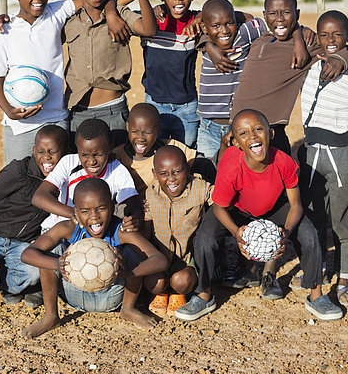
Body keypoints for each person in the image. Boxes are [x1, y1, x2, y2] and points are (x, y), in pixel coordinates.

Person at [176, 109, 343, 322]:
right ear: (236, 142)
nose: (252, 136)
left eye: (257, 129)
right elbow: (219, 207)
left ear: (270, 134)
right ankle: (203, 294)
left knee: (309, 233)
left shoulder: (284, 162)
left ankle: (316, 295)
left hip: (273, 208)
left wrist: (287, 232)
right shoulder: (231, 163)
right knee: (206, 237)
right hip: (235, 210)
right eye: (243, 134)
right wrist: (237, 233)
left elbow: (296, 206)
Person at [0, 0, 129, 163]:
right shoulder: (3, 32)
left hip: (57, 121)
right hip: (20, 127)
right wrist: (10, 112)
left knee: (58, 186)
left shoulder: (56, 13)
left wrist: (112, 14)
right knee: (17, 184)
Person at [20, 177, 169, 338]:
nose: (94, 216)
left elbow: (160, 260)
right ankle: (51, 316)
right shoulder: (68, 228)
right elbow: (27, 254)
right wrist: (58, 264)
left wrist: (128, 272)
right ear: (76, 212)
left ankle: (128, 309)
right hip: (74, 295)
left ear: (112, 207)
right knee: (51, 252)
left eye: (101, 208)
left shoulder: (121, 231)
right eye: (85, 211)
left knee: (134, 251)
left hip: (112, 296)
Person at [0, 125, 68, 308]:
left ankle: (9, 284)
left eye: (53, 151)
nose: (46, 157)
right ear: (33, 151)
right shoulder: (19, 171)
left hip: (22, 243)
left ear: (65, 152)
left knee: (33, 273)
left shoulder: (64, 180)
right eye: (40, 151)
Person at [230, 0, 348, 154]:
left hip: (271, 131)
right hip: (237, 128)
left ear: (296, 14)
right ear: (264, 16)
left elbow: (336, 46)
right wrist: (297, 31)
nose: (279, 19)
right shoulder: (259, 39)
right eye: (272, 13)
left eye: (286, 12)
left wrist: (340, 59)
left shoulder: (308, 46)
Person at [64, 0, 157, 147]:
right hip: (77, 112)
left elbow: (149, 29)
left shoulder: (120, 13)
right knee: (81, 172)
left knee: (117, 167)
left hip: (113, 112)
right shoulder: (68, 20)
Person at [298, 10, 348, 306]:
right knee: (314, 217)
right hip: (311, 152)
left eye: (337, 35)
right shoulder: (311, 63)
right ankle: (315, 269)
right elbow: (290, 27)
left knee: (341, 221)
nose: (330, 40)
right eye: (324, 35)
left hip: (341, 154)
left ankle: (344, 274)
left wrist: (343, 57)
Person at [33, 118, 142, 232]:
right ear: (77, 149)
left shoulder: (117, 170)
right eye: (84, 155)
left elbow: (134, 205)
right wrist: (74, 213)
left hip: (96, 231)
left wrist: (134, 219)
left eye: (98, 154)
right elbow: (39, 197)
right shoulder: (69, 162)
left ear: (110, 148)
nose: (91, 161)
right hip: (60, 227)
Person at [144, 145, 214, 316]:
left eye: (177, 172)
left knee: (180, 281)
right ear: (155, 174)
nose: (171, 179)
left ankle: (177, 293)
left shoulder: (199, 188)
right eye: (164, 174)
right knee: (155, 282)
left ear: (187, 169)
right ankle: (161, 292)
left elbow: (220, 199)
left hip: (186, 259)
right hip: (161, 257)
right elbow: (147, 227)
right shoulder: (151, 193)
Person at [194, 0, 267, 157]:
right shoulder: (200, 36)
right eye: (216, 25)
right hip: (209, 126)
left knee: (239, 173)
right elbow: (193, 29)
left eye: (229, 22)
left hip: (239, 127)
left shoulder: (243, 34)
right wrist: (207, 44)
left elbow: (261, 22)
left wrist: (236, 14)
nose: (224, 30)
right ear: (205, 28)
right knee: (207, 171)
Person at [137, 0, 201, 147]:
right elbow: (117, 10)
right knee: (156, 154)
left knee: (188, 156)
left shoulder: (196, 21)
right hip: (155, 104)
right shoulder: (150, 20)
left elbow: (227, 12)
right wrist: (144, 0)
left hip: (188, 107)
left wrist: (203, 15)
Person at [112, 103, 200, 200]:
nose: (141, 138)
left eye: (147, 133)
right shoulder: (117, 156)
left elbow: (202, 163)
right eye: (134, 131)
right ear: (128, 127)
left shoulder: (170, 148)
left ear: (159, 130)